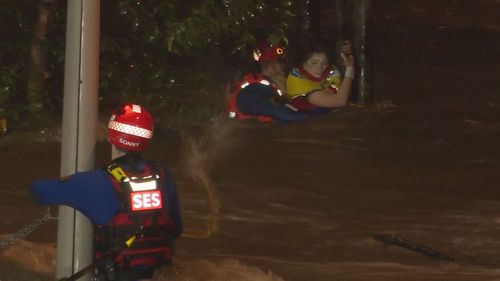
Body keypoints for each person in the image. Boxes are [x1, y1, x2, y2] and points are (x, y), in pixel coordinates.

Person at [31, 103, 183, 281]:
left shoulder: (96, 182)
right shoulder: (163, 176)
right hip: (158, 273)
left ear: (111, 136)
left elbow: (38, 192)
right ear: (147, 138)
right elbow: (176, 228)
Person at [226, 42, 317, 123]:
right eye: (280, 62)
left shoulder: (268, 89)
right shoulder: (254, 90)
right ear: (269, 66)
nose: (283, 67)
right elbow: (285, 114)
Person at [286, 41, 355, 112]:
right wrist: (350, 69)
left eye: (324, 63)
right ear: (304, 64)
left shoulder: (332, 72)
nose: (320, 67)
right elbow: (340, 101)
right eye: (314, 63)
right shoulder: (298, 78)